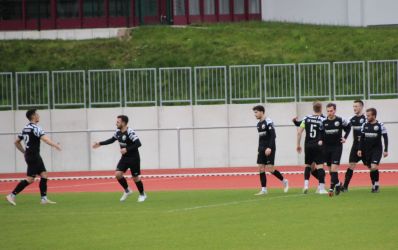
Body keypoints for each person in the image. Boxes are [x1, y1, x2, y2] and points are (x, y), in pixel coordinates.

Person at [6, 109, 61, 206]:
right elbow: (45, 139)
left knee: (44, 174)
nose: (38, 115)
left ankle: (44, 199)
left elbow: (16, 142)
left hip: (31, 155)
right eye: (36, 114)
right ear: (33, 116)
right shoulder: (36, 128)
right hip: (34, 156)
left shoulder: (25, 128)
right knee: (30, 179)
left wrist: (24, 152)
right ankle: (11, 195)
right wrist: (55, 145)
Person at [93, 115, 146, 202]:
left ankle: (142, 194)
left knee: (135, 177)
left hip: (134, 158)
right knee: (118, 174)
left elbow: (138, 143)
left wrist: (127, 149)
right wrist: (100, 143)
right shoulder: (118, 131)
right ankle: (127, 190)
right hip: (124, 158)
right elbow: (111, 140)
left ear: (124, 123)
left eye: (118, 122)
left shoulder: (130, 132)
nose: (116, 123)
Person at [253, 105, 289, 195]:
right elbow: (261, 138)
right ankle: (264, 189)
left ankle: (284, 181)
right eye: (254, 112)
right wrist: (259, 149)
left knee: (270, 169)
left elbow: (273, 136)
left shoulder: (268, 122)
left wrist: (269, 147)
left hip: (270, 148)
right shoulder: (258, 124)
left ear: (262, 112)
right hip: (261, 149)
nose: (255, 114)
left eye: (256, 112)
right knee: (261, 168)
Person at [296, 101, 328, 194]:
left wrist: (298, 145)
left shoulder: (306, 118)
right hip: (318, 145)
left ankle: (306, 185)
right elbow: (325, 133)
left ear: (313, 108)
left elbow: (299, 132)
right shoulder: (323, 119)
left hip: (308, 145)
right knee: (320, 166)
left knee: (308, 165)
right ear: (321, 109)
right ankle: (321, 188)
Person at [321, 103, 351, 197]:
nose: (329, 112)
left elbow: (349, 127)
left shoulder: (340, 120)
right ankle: (338, 184)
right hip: (326, 148)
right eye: (328, 111)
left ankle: (331, 188)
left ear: (335, 110)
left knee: (334, 169)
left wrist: (345, 137)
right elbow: (320, 132)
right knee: (330, 171)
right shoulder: (323, 121)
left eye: (331, 111)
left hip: (337, 147)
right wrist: (320, 140)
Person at [358, 108, 389, 193]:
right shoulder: (364, 125)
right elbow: (361, 138)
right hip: (367, 150)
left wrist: (386, 150)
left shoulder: (380, 125)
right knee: (371, 168)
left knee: (374, 166)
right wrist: (360, 149)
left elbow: (385, 137)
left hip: (377, 149)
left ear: (374, 116)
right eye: (366, 115)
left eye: (368, 116)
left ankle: (376, 184)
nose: (366, 117)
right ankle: (373, 185)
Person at [341, 100, 366, 192]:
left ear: (361, 107)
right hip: (355, 146)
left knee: (372, 166)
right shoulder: (351, 118)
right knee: (351, 165)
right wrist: (344, 137)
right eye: (353, 106)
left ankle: (375, 185)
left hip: (365, 146)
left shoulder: (366, 119)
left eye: (356, 106)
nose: (354, 108)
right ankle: (345, 187)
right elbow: (345, 126)